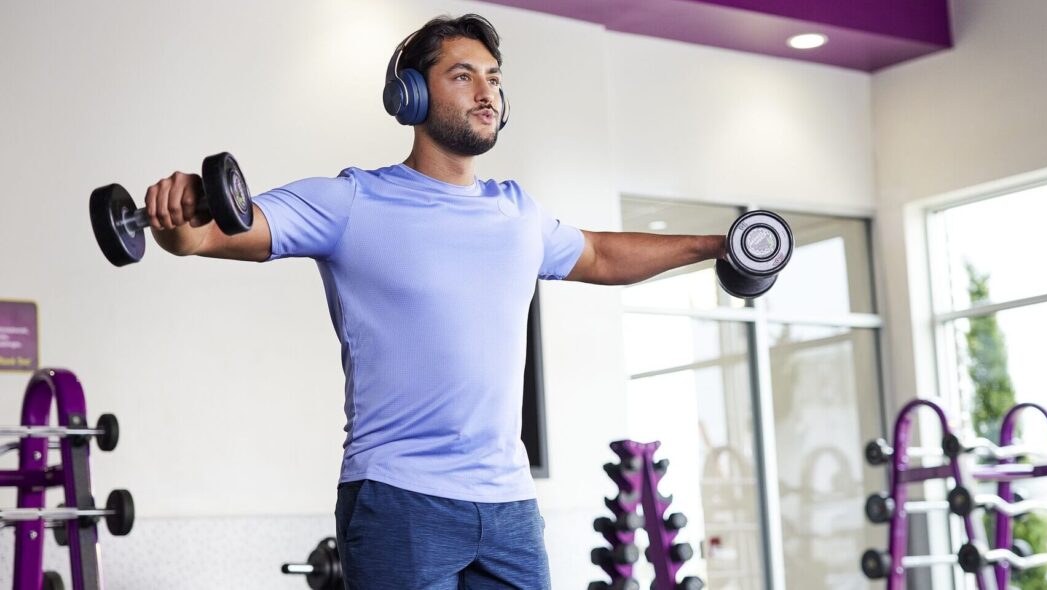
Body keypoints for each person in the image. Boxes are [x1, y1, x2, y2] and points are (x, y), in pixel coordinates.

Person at [143, 13, 726, 589]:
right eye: (463, 76)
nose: (486, 92)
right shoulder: (353, 202)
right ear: (412, 96)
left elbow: (598, 254)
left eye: (494, 79)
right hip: (400, 500)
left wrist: (715, 245)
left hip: (509, 508)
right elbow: (213, 232)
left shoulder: (517, 213)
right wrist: (177, 223)